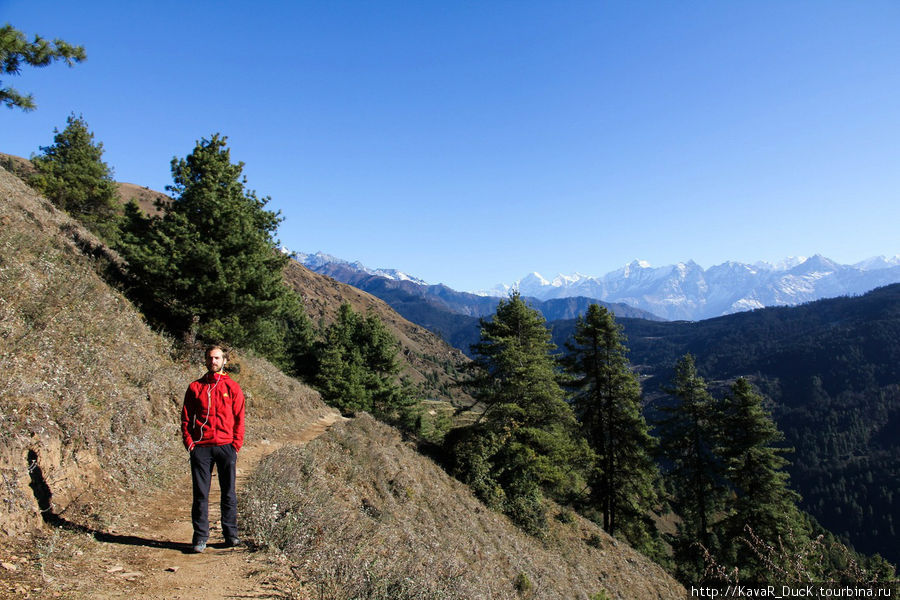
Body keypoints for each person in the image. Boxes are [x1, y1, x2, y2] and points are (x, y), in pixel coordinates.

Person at [181, 345, 245, 553]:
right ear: (206, 361)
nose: (213, 361)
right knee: (201, 493)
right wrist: (190, 443)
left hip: (226, 446)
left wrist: (236, 444)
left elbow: (239, 418)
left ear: (224, 361)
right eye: (210, 358)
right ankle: (200, 538)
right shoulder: (195, 387)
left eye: (217, 358)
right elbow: (185, 417)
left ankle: (231, 534)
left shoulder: (233, 388)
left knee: (229, 492)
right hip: (202, 448)